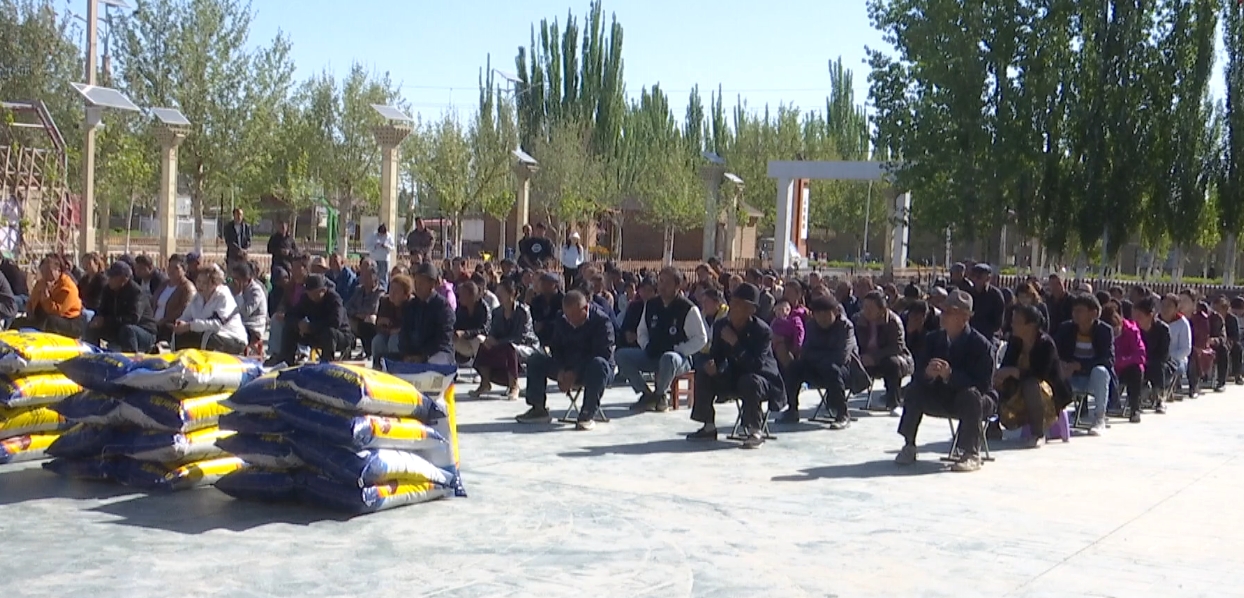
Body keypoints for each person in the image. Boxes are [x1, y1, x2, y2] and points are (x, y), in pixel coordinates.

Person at [895, 290, 995, 472]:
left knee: (971, 396)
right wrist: (928, 374)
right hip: (941, 394)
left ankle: (971, 453)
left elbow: (983, 385)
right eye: (943, 310)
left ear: (964, 317)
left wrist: (950, 375)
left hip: (974, 399)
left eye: (949, 312)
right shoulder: (932, 339)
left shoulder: (981, 345)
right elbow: (917, 374)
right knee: (914, 389)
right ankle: (909, 444)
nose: (943, 315)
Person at [686, 283, 785, 448]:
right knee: (704, 373)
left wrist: (736, 343)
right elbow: (717, 355)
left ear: (751, 310)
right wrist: (713, 365)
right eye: (733, 302)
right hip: (735, 375)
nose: (734, 308)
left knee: (750, 381)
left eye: (740, 305)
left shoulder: (762, 331)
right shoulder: (721, 325)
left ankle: (755, 431)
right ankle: (708, 426)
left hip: (763, 379)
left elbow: (756, 365)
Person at [514, 291, 615, 429]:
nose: (570, 320)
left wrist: (575, 373)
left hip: (593, 369)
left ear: (585, 308)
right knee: (536, 359)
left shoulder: (602, 322)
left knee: (598, 364)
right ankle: (538, 408)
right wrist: (561, 369)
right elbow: (556, 347)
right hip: (568, 365)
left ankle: (587, 414)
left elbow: (603, 353)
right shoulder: (562, 319)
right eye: (567, 316)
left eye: (574, 316)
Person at [616, 267, 708, 413]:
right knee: (621, 355)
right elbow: (642, 331)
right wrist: (646, 345)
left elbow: (701, 338)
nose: (662, 286)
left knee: (668, 358)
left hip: (678, 359)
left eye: (667, 283)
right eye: (660, 281)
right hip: (653, 353)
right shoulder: (651, 304)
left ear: (677, 286)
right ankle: (646, 394)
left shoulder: (688, 308)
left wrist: (680, 349)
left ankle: (660, 394)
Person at [994, 304, 1072, 448]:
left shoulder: (1046, 344)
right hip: (1019, 388)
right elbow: (1007, 365)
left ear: (1031, 326)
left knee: (1030, 384)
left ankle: (1038, 433)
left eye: (1017, 321)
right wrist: (1001, 376)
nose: (1012, 325)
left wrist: (1014, 372)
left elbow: (1040, 374)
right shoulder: (1015, 341)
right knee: (994, 381)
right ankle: (993, 425)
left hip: (1047, 393)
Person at [783, 295, 861, 427]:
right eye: (818, 315)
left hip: (845, 370)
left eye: (826, 314)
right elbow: (805, 352)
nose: (822, 319)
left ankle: (842, 413)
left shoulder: (845, 327)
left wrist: (818, 356)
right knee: (794, 367)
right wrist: (821, 357)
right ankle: (792, 409)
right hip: (818, 368)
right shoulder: (811, 325)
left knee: (832, 369)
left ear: (835, 312)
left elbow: (841, 357)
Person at [1053, 293, 1115, 434]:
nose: (1075, 314)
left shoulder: (1105, 331)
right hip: (1070, 376)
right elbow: (1053, 351)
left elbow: (1108, 360)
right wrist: (1062, 364)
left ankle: (1099, 418)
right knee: (1054, 371)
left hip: (1091, 378)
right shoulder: (1065, 328)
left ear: (1093, 313)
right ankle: (1054, 419)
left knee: (1101, 371)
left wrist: (1080, 366)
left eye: (1080, 311)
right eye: (1074, 310)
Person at [266, 273, 351, 366]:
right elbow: (291, 315)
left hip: (339, 336)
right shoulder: (306, 299)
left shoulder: (334, 299)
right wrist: (299, 324)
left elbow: (335, 322)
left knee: (329, 332)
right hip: (316, 333)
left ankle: (326, 363)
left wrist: (311, 327)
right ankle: (286, 361)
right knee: (290, 328)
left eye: (315, 293)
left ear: (323, 290)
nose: (312, 297)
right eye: (310, 294)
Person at [473, 280, 539, 400]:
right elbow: (493, 332)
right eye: (497, 292)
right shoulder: (497, 312)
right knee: (484, 346)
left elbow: (521, 337)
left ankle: (514, 386)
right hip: (503, 345)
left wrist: (498, 342)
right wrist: (490, 339)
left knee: (510, 348)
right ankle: (485, 383)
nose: (498, 295)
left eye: (502, 292)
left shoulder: (523, 311)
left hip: (525, 346)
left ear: (511, 294)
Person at [855, 290, 915, 415]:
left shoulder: (893, 321)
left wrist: (874, 357)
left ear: (882, 309)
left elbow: (897, 347)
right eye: (865, 306)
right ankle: (835, 402)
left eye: (870, 308)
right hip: (864, 358)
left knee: (892, 364)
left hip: (890, 358)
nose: (866, 310)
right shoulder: (858, 320)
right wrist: (859, 356)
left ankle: (893, 403)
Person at [172, 264, 248, 354]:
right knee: (178, 334)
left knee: (207, 336)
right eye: (198, 281)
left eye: (204, 283)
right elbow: (185, 317)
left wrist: (189, 326)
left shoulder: (223, 296)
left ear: (215, 284)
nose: (200, 285)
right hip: (207, 334)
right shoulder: (197, 297)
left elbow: (216, 324)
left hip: (232, 337)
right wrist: (180, 323)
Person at [84, 262, 158, 353]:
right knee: (92, 328)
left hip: (143, 331)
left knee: (127, 330)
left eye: (112, 277)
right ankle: (91, 355)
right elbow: (102, 310)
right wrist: (97, 320)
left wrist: (106, 321)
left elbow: (133, 318)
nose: (109, 279)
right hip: (117, 326)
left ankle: (130, 358)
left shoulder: (136, 293)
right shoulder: (108, 290)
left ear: (124, 279)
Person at [13, 256, 84, 338]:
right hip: (42, 318)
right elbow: (31, 301)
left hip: (68, 321)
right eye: (43, 271)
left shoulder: (68, 287)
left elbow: (58, 311)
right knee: (17, 322)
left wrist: (46, 298)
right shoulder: (41, 283)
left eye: (48, 271)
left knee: (50, 322)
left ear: (58, 271)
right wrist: (30, 313)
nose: (45, 275)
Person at [398, 263, 455, 365]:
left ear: (432, 284)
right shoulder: (411, 305)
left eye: (421, 283)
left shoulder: (443, 307)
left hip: (437, 353)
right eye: (416, 282)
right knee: (383, 359)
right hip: (414, 353)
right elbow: (404, 333)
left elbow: (443, 339)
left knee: (435, 361)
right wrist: (407, 354)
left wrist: (423, 356)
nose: (417, 286)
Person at [1104, 304, 1146, 423]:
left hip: (1126, 368)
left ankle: (1134, 409)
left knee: (1136, 370)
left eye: (1116, 329)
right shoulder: (1102, 333)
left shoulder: (1132, 331)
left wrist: (1121, 361)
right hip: (1110, 368)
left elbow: (1140, 355)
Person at [1134, 295, 1171, 415]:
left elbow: (1163, 354)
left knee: (1158, 367)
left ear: (1150, 315)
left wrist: (1147, 360)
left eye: (1140, 316)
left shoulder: (1162, 329)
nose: (1136, 319)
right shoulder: (1134, 329)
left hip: (1159, 362)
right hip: (1139, 360)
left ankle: (1160, 398)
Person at [152, 255, 196, 344]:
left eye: (176, 268)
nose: (171, 270)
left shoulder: (187, 288)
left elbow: (184, 309)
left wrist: (164, 320)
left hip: (169, 327)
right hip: (154, 324)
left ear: (184, 270)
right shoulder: (164, 284)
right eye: (170, 267)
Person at [344, 265, 384, 360]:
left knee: (370, 319)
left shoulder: (380, 292)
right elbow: (348, 306)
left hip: (371, 321)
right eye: (363, 276)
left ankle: (369, 352)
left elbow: (372, 309)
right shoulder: (358, 290)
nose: (364, 279)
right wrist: (357, 314)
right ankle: (347, 350)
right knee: (346, 320)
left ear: (375, 278)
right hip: (357, 319)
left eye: (368, 276)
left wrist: (358, 313)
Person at [370, 275, 410, 368]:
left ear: (405, 294)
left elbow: (409, 326)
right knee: (377, 341)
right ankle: (377, 367)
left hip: (403, 337)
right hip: (386, 333)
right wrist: (382, 324)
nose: (392, 293)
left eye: (396, 291)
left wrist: (398, 330)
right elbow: (378, 324)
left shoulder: (410, 305)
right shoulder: (384, 302)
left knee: (394, 340)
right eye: (391, 289)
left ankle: (395, 368)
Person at [229, 261, 267, 352]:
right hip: (238, 322)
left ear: (246, 279)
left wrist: (238, 295)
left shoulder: (256, 291)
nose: (234, 282)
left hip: (253, 326)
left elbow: (245, 312)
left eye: (237, 279)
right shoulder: (232, 288)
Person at [1160, 293, 1192, 397]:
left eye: (1169, 306)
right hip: (1158, 358)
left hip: (1177, 359)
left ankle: (1164, 393)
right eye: (1163, 305)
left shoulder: (1183, 323)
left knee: (1168, 369)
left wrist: (1169, 357)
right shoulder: (1155, 321)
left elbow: (1186, 349)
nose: (1165, 309)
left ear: (1176, 308)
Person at [453, 281, 491, 364]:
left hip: (481, 345)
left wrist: (465, 333)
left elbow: (484, 330)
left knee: (479, 339)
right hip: (465, 343)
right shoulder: (460, 308)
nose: (460, 297)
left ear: (471, 295)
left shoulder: (483, 308)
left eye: (463, 294)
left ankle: (482, 366)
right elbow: (456, 325)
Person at [968, 264, 1005, 342]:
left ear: (988, 278)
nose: (976, 280)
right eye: (974, 276)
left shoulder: (996, 296)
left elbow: (998, 323)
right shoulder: (968, 293)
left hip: (988, 337)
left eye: (979, 277)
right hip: (969, 335)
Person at [617, 277, 656, 349]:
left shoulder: (658, 308)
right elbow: (628, 334)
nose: (646, 293)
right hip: (633, 346)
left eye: (649, 291)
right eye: (644, 290)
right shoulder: (634, 307)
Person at [529, 273, 564, 346]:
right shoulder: (536, 300)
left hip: (558, 337)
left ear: (556, 285)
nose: (543, 286)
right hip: (538, 338)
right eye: (542, 283)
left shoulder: (563, 300)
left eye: (547, 283)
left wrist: (545, 324)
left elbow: (563, 320)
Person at [769, 298, 804, 371]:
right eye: (777, 310)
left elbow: (799, 331)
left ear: (788, 310)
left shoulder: (793, 320)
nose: (779, 312)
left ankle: (792, 368)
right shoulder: (774, 321)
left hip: (789, 344)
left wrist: (797, 345)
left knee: (784, 354)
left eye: (782, 309)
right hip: (775, 344)